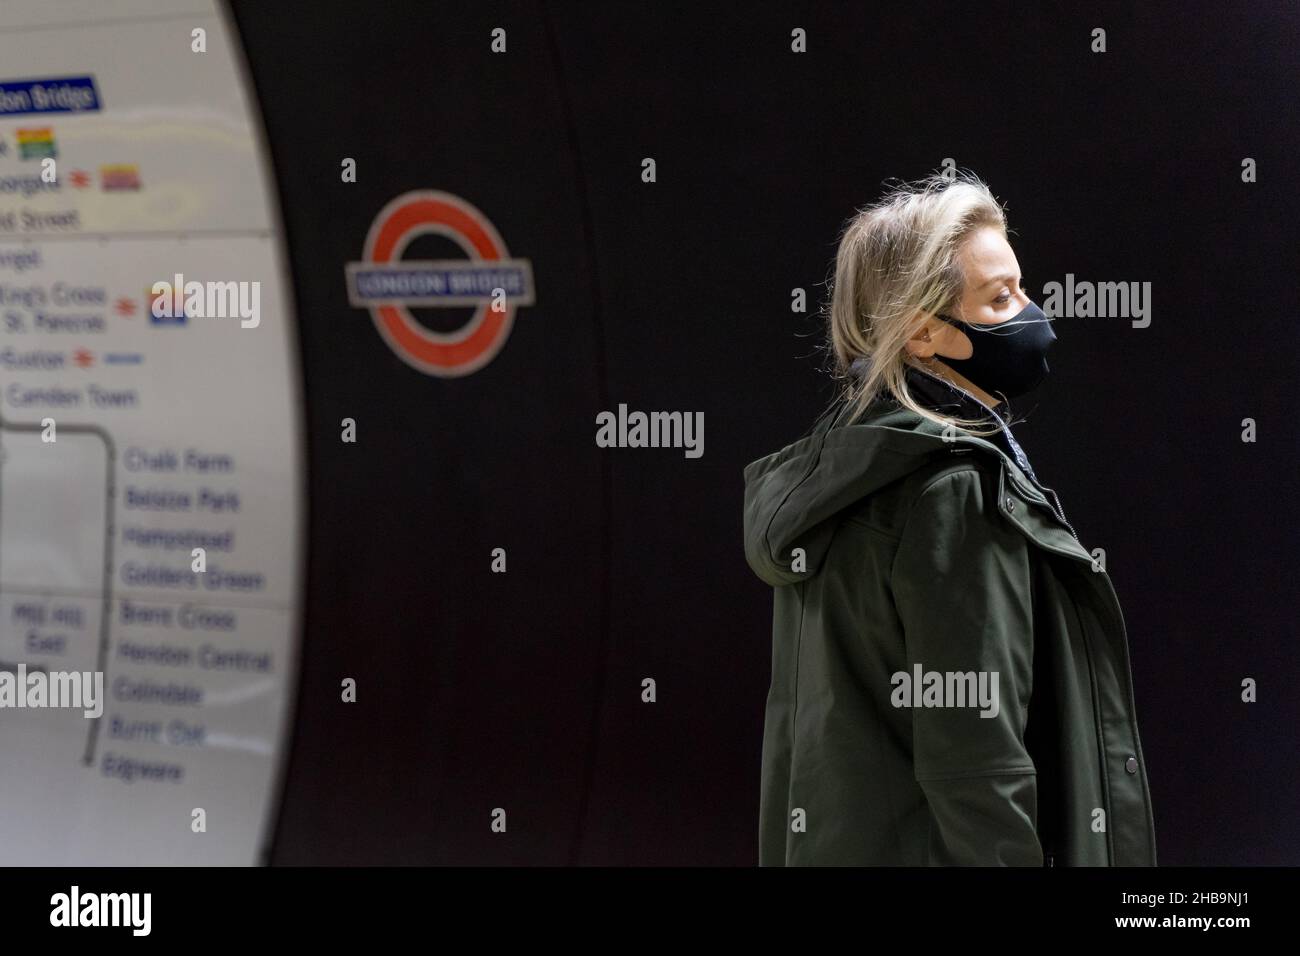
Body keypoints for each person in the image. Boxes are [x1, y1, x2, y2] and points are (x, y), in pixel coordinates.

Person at [742, 171, 1156, 866]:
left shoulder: (846, 475)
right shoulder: (951, 491)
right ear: (926, 334)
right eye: (1001, 298)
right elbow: (977, 762)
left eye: (1022, 287)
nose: (1034, 313)